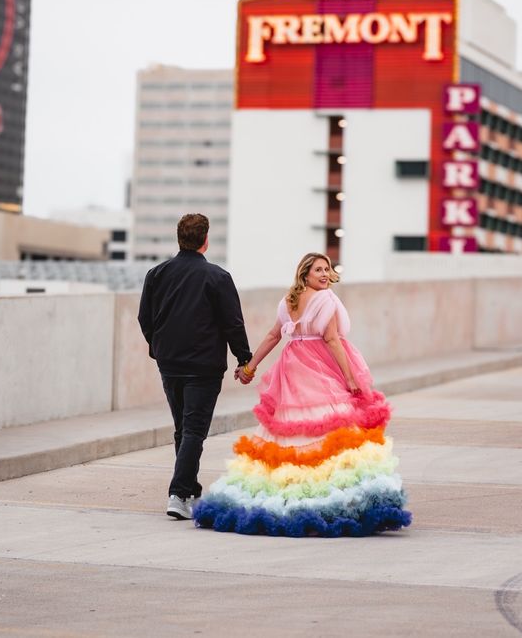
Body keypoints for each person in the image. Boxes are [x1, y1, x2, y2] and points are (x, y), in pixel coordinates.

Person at [193, 252, 412, 537]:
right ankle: (329, 497)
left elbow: (274, 336)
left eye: (327, 269)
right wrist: (349, 377)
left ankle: (281, 493)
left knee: (289, 426)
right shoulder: (326, 300)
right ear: (305, 274)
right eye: (318, 269)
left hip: (293, 366)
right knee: (328, 424)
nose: (324, 274)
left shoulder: (288, 302)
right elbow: (332, 339)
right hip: (318, 368)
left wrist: (250, 366)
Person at [138, 213, 252, 520]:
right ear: (205, 240)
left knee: (183, 429)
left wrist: (158, 347)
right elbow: (233, 324)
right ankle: (178, 493)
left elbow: (144, 319)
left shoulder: (156, 274)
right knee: (194, 431)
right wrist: (244, 358)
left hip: (169, 363)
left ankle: (189, 489)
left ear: (179, 238)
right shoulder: (218, 277)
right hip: (203, 366)